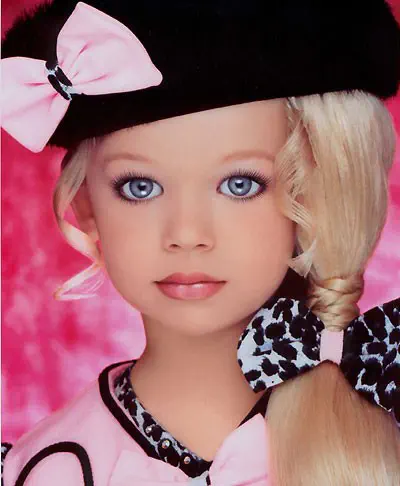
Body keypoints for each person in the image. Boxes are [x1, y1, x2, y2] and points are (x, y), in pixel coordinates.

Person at [1, 0, 399, 485]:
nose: (187, 234)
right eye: (139, 187)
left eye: (240, 184)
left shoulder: (383, 448)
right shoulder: (44, 470)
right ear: (86, 204)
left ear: (310, 194)